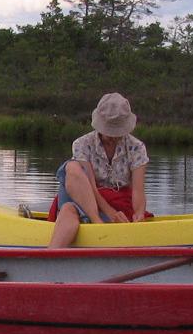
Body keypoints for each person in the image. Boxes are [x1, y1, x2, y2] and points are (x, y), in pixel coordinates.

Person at [48, 92, 152, 248]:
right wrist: (107, 214)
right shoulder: (82, 144)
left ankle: (52, 255)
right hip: (84, 195)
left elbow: (138, 190)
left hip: (118, 203)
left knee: (68, 209)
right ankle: (51, 257)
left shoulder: (137, 148)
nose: (112, 137)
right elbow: (91, 187)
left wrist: (139, 213)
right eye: (109, 131)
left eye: (117, 132)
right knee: (71, 168)